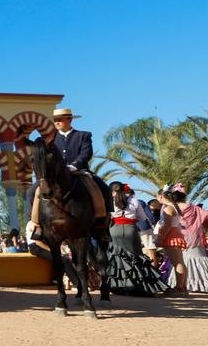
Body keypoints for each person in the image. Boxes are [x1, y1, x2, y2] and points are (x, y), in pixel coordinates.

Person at [49, 107, 113, 256]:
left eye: (60, 119)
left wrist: (74, 165)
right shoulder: (51, 139)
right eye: (55, 120)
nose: (57, 122)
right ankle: (36, 226)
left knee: (102, 187)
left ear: (69, 120)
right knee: (35, 190)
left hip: (78, 172)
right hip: (57, 177)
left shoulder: (83, 135)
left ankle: (102, 225)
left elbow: (86, 153)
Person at [164, 185, 208, 293]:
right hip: (195, 235)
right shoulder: (193, 207)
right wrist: (204, 226)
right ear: (183, 196)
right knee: (197, 258)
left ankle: (182, 285)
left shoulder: (171, 207)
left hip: (178, 235)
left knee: (181, 261)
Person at [104, 182, 163, 296]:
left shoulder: (110, 201)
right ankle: (138, 287)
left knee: (118, 257)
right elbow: (142, 217)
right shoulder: (134, 200)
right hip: (131, 229)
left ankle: (120, 287)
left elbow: (107, 216)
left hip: (115, 229)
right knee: (135, 256)